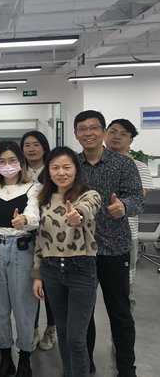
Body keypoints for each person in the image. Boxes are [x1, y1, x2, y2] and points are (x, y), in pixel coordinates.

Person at [74, 110, 145, 377]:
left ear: (103, 132)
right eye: (82, 128)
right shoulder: (71, 164)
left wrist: (123, 206)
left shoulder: (123, 164)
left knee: (120, 312)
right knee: (83, 314)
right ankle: (85, 364)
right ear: (76, 134)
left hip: (114, 247)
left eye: (94, 128)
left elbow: (137, 199)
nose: (88, 133)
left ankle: (126, 368)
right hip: (79, 250)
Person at [32, 146, 101, 377]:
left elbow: (87, 209)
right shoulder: (42, 200)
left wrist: (77, 214)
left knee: (75, 338)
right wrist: (38, 275)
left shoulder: (89, 195)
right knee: (62, 332)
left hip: (81, 269)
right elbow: (40, 240)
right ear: (49, 172)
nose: (61, 172)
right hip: (51, 270)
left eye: (66, 167)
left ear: (76, 170)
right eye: (55, 168)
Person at [0, 140, 42, 377]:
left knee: (24, 307)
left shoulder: (33, 187)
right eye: (1, 161)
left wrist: (24, 220)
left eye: (12, 160)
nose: (7, 165)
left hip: (22, 249)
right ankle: (6, 357)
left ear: (21, 162)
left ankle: (24, 358)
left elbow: (34, 214)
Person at [103, 118, 154, 314]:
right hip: (93, 236)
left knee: (124, 290)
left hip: (125, 235)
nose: (117, 136)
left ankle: (123, 332)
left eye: (123, 134)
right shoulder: (91, 163)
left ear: (130, 140)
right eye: (113, 131)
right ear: (105, 134)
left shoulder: (139, 166)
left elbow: (136, 200)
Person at [20, 130, 55, 351]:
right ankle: (32, 330)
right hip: (25, 236)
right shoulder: (17, 171)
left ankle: (51, 329)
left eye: (36, 144)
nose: (31, 149)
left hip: (51, 236)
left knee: (50, 286)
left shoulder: (53, 170)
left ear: (44, 147)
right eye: (27, 145)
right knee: (28, 286)